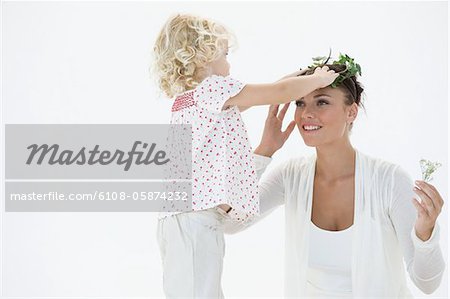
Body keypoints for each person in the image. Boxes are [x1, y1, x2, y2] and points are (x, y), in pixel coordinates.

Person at [151, 14, 338, 298]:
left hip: (182, 219)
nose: (229, 64)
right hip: (194, 220)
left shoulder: (190, 101)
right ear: (203, 58)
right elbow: (277, 92)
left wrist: (301, 77)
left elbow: (272, 90)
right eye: (225, 55)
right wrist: (318, 79)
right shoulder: (214, 89)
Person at [230, 55, 446, 298]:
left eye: (321, 102)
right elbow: (230, 222)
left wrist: (426, 233)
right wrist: (264, 151)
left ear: (351, 112)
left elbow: (428, 283)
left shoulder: (389, 180)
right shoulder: (290, 176)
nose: (306, 114)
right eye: (300, 103)